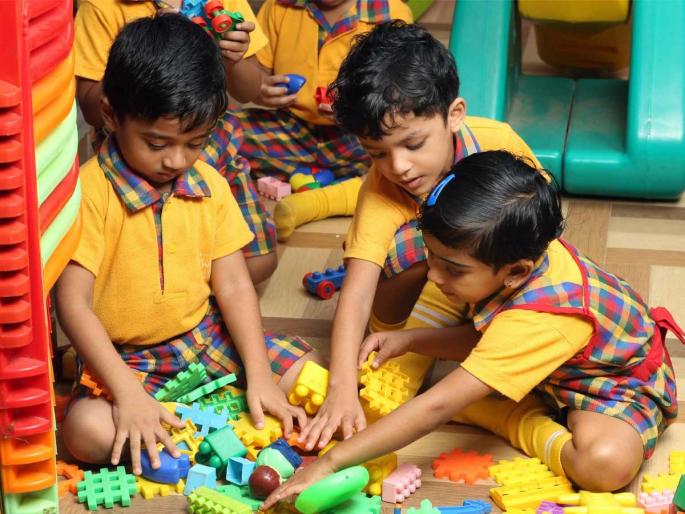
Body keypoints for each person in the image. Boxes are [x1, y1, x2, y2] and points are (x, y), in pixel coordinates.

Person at [260, 150, 684, 510]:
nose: (434, 275)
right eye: (432, 256)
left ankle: (509, 415)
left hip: (609, 385)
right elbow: (496, 336)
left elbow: (436, 407)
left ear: (516, 273)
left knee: (603, 465)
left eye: (453, 269)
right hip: (543, 352)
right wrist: (413, 339)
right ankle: (494, 391)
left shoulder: (544, 316)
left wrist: (330, 462)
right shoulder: (516, 246)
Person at [57, 15, 320, 475]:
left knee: (311, 373)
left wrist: (260, 375)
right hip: (127, 360)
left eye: (195, 143)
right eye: (157, 143)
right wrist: (128, 393)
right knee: (84, 432)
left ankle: (195, 426)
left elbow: (234, 285)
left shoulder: (208, 184)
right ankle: (191, 426)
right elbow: (72, 305)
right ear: (111, 115)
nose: (176, 160)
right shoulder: (90, 194)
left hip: (206, 339)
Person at [298, 21, 542, 450]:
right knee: (406, 249)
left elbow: (539, 225)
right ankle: (411, 344)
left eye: (413, 145)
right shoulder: (382, 189)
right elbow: (356, 292)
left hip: (493, 279)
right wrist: (341, 386)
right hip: (422, 292)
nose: (399, 167)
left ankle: (467, 334)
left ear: (454, 114)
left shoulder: (498, 143)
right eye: (378, 153)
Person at [74, 0, 277, 283]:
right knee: (143, 276)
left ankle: (190, 290)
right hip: (134, 154)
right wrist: (150, 63)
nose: (176, 162)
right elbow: (90, 108)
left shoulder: (221, 4)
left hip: (211, 144)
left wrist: (230, 60)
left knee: (260, 263)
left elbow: (250, 90)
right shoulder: (101, 8)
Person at [235, 0, 413, 240]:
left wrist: (356, 112)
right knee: (223, 131)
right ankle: (337, 180)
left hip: (358, 137)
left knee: (406, 156)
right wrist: (261, 89)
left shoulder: (391, 12)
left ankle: (319, 194)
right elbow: (257, 75)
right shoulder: (278, 8)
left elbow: (400, 96)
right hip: (292, 130)